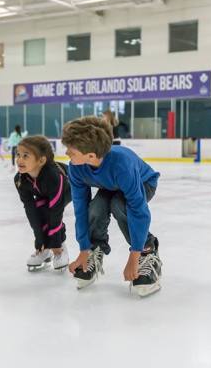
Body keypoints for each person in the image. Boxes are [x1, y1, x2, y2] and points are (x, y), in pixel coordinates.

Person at [63, 116, 163, 297]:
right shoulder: (76, 168)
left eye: (71, 150)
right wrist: (84, 248)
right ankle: (95, 249)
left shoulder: (122, 164)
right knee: (95, 208)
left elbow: (138, 210)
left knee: (119, 205)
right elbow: (80, 208)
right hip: (110, 185)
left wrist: (135, 255)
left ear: (91, 156)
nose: (66, 154)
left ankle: (148, 252)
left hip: (143, 182)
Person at [14, 136, 71, 272]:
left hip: (69, 189)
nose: (19, 160)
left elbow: (56, 209)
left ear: (41, 160)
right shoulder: (20, 179)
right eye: (18, 155)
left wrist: (56, 242)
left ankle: (60, 249)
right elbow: (29, 208)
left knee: (47, 210)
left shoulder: (53, 176)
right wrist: (39, 239)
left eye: (26, 156)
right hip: (45, 194)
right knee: (37, 210)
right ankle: (45, 250)